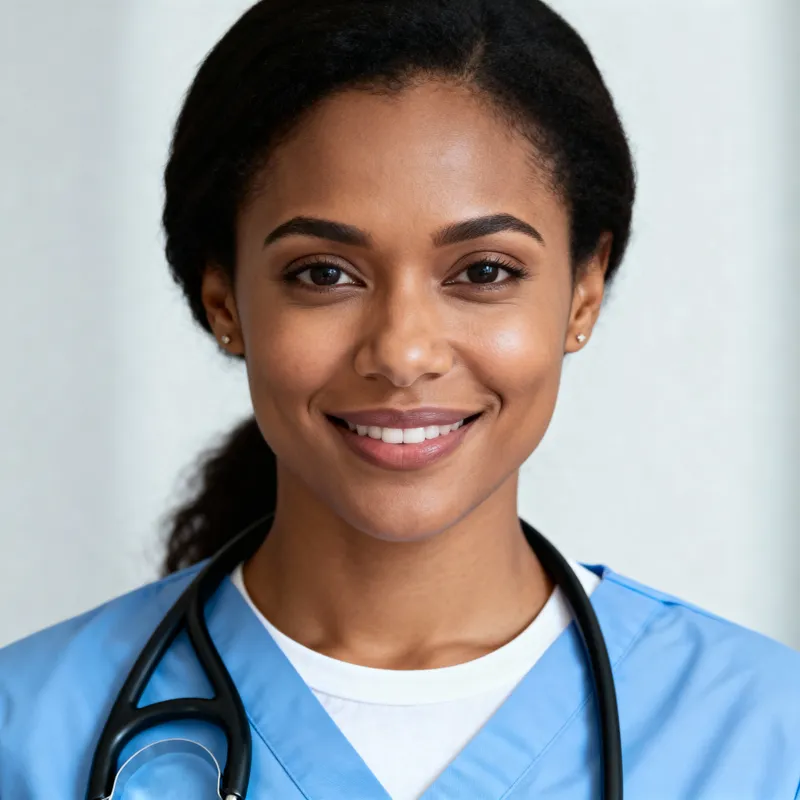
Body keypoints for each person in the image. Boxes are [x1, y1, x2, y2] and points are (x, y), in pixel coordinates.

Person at [1, 0, 799, 797]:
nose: (403, 353)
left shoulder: (767, 734)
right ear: (224, 301)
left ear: (583, 293)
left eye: (484, 272)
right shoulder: (26, 733)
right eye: (324, 273)